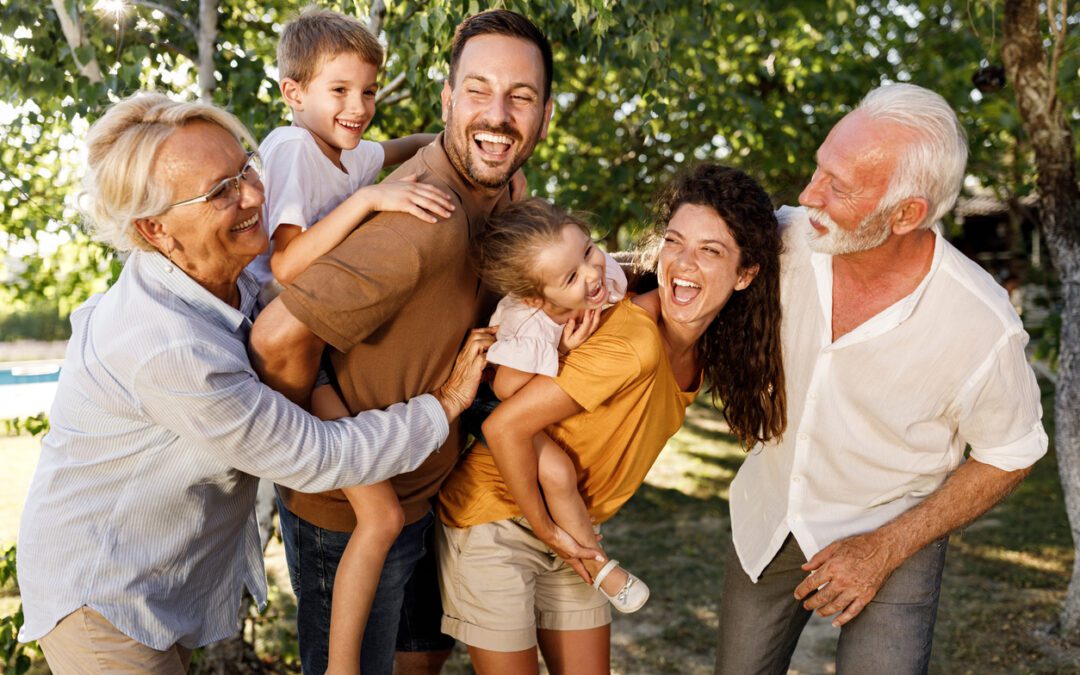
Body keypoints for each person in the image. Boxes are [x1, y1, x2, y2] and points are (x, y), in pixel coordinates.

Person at [15, 92, 493, 674]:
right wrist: (443, 405)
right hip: (102, 596)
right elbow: (317, 454)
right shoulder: (165, 346)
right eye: (221, 191)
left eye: (246, 167)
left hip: (158, 578)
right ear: (156, 230)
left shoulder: (236, 272)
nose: (254, 194)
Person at [249, 9, 554, 674]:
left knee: (419, 653)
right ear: (449, 100)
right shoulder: (418, 221)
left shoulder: (499, 194)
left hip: (424, 482)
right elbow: (273, 340)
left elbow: (387, 151)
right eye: (477, 91)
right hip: (352, 512)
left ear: (546, 113)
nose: (498, 115)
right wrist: (330, 454)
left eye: (520, 97)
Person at [715, 83, 1048, 675]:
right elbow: (681, 266)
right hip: (771, 516)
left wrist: (885, 547)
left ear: (907, 214)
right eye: (821, 168)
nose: (806, 194)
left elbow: (1012, 452)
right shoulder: (786, 239)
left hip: (896, 534)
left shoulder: (980, 323)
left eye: (836, 186)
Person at [437, 163, 787, 674]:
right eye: (675, 241)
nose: (684, 264)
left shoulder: (701, 344)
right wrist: (548, 529)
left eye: (711, 251)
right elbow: (502, 426)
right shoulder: (633, 343)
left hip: (574, 527)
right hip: (498, 519)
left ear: (746, 274)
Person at [246, 8, 460, 673]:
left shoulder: (345, 148)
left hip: (317, 356)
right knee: (381, 515)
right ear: (294, 93)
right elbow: (284, 265)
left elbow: (397, 151)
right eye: (339, 90)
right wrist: (369, 204)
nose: (359, 106)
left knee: (385, 515)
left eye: (368, 91)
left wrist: (455, 140)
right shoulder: (291, 148)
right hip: (282, 361)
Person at [470, 197, 654, 612]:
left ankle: (581, 547)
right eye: (572, 276)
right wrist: (565, 355)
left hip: (529, 395)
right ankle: (599, 566)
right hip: (495, 397)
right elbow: (505, 391)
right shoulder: (530, 327)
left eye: (588, 250)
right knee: (556, 471)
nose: (592, 273)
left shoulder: (600, 274)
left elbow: (624, 281)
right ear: (536, 298)